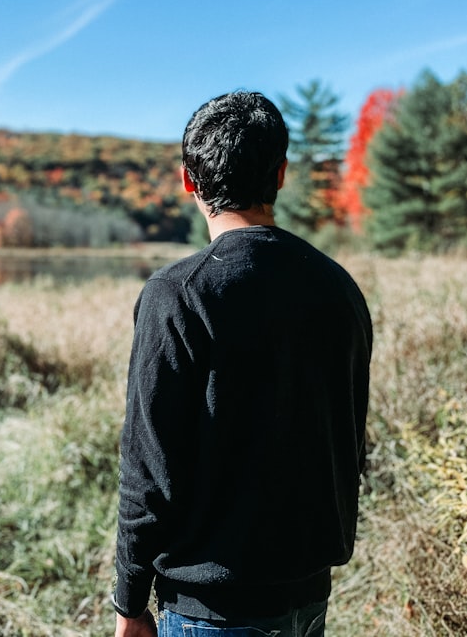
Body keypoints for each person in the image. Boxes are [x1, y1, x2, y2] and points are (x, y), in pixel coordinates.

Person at [111, 91, 372, 637]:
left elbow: (148, 471)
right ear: (279, 175)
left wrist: (130, 603)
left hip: (210, 608)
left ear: (189, 181)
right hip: (308, 595)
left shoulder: (178, 294)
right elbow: (349, 441)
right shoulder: (338, 287)